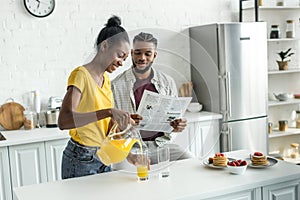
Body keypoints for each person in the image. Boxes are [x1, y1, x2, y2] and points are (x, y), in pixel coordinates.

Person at [58, 16, 134, 179]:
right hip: (80, 159)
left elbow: (107, 125)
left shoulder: (106, 80)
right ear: (105, 46)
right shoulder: (81, 75)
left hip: (102, 156)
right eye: (120, 55)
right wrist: (108, 112)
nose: (121, 63)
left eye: (125, 59)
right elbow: (64, 121)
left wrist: (123, 122)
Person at [111, 32, 194, 165]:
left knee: (190, 162)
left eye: (147, 54)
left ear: (154, 55)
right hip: (130, 148)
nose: (142, 58)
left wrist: (177, 126)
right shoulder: (116, 85)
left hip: (161, 145)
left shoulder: (167, 82)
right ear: (131, 53)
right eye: (138, 53)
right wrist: (125, 124)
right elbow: (111, 127)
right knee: (124, 177)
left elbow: (174, 119)